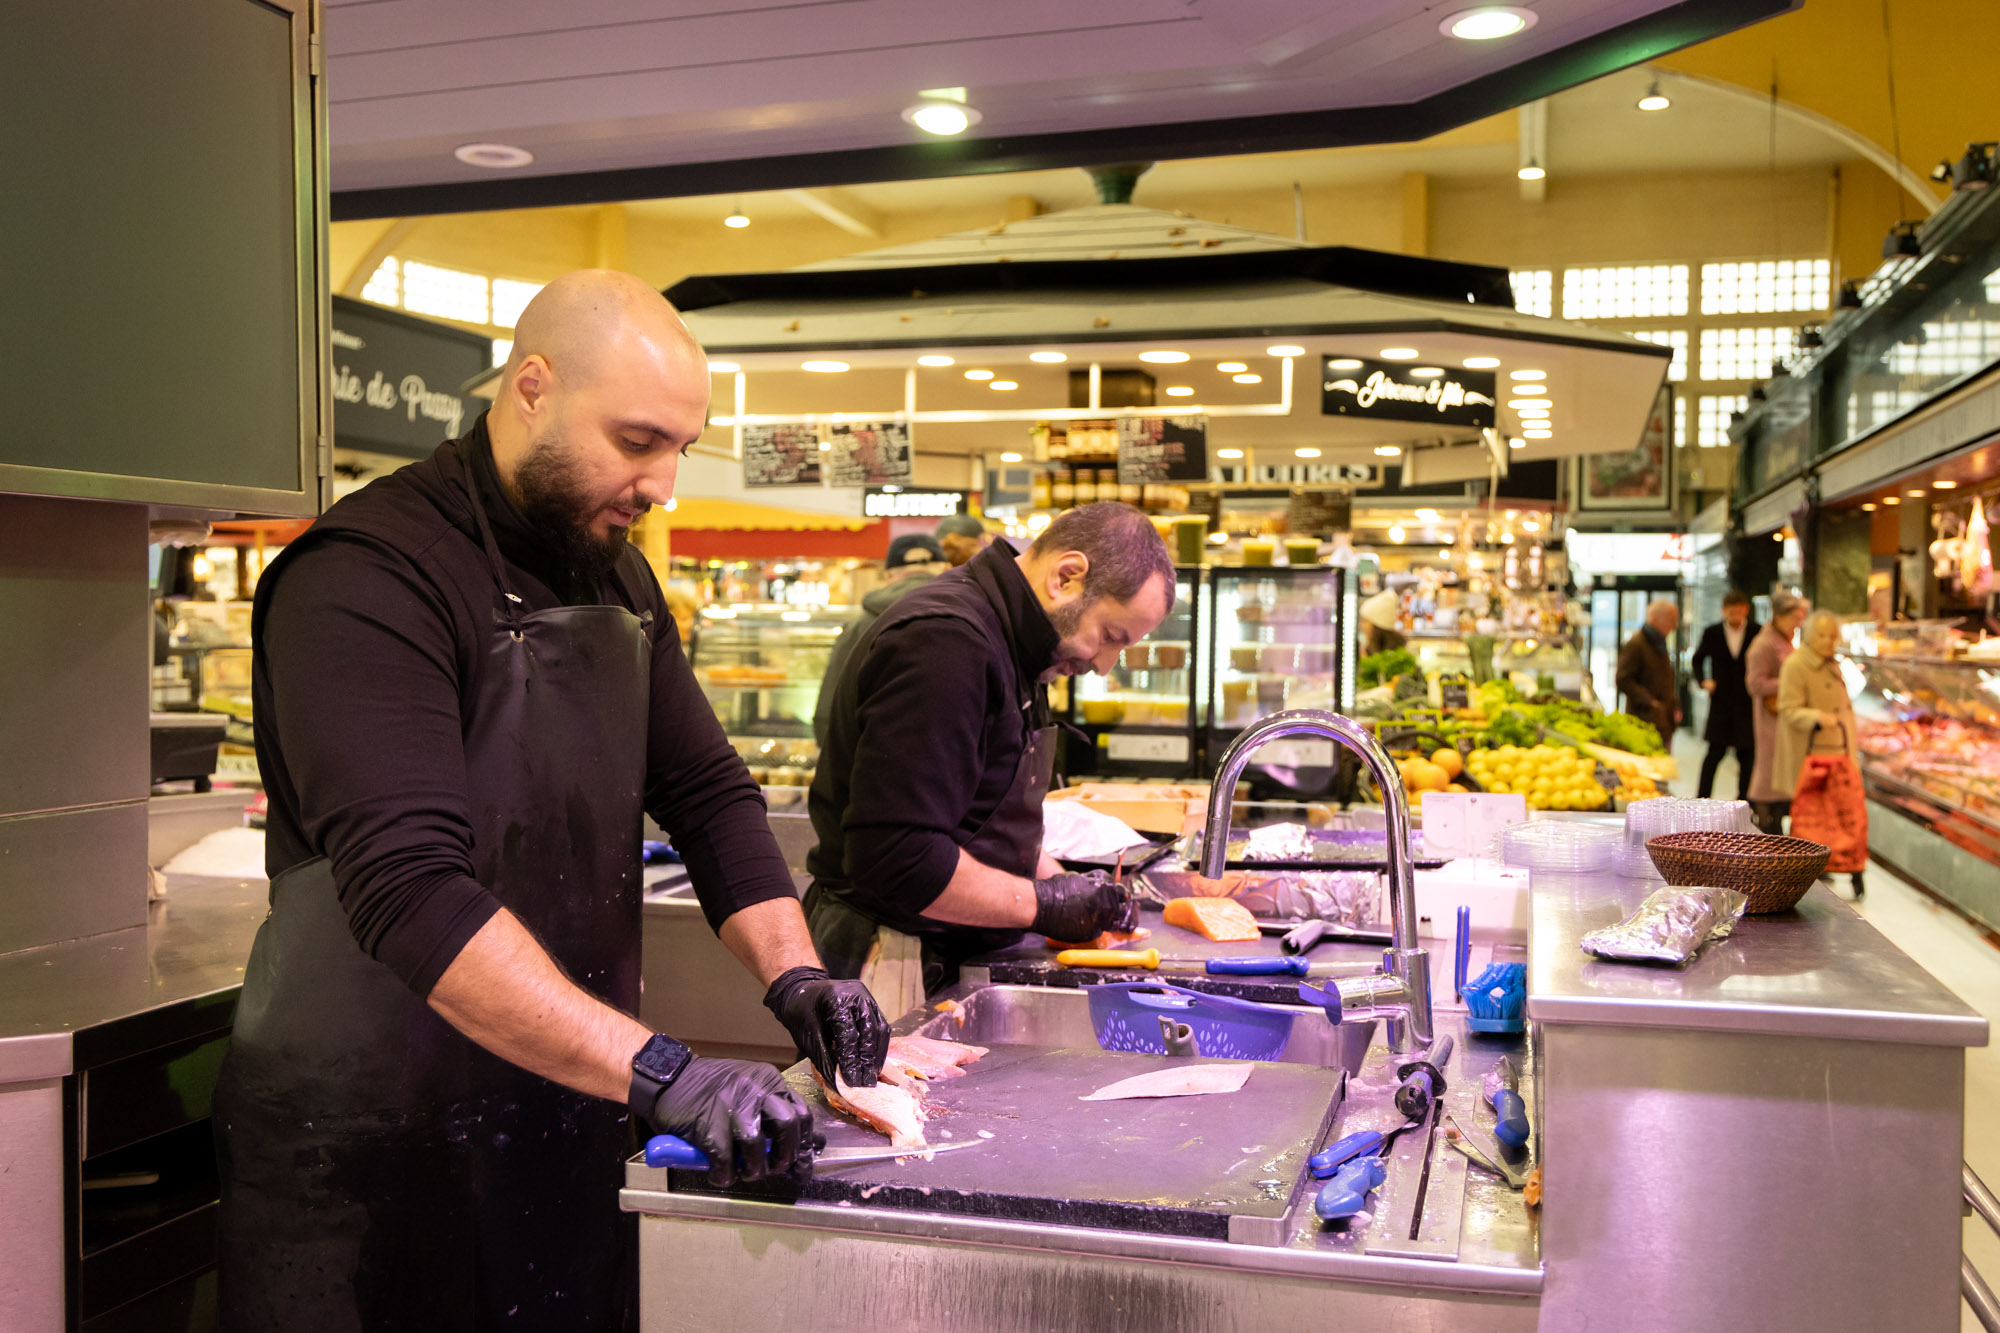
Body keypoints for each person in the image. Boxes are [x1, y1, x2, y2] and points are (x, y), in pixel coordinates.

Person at [214, 271, 889, 1331]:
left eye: (680, 446)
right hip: (365, 1159)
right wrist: (665, 1071)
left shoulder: (616, 576)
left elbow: (707, 794)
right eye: (637, 441)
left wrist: (795, 973)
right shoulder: (366, 576)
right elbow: (411, 892)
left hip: (564, 1113)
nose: (664, 483)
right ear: (532, 388)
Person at [805, 502, 1177, 1015]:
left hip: (948, 952)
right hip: (890, 960)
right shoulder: (946, 642)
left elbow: (983, 816)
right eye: (1111, 637)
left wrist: (1062, 884)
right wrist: (1044, 904)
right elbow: (898, 860)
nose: (1104, 664)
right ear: (1066, 577)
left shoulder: (1019, 643)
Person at [811, 534, 947, 744]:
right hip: (950, 752)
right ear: (943, 568)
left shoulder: (860, 624)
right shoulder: (966, 615)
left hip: (875, 751)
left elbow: (831, 707)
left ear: (889, 574)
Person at [1775, 610, 1866, 895]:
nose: (1828, 641)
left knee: (1842, 818)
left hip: (1839, 753)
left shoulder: (1834, 664)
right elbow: (1787, 709)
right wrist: (1817, 717)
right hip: (1809, 755)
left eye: (1832, 636)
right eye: (1822, 635)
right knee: (1810, 820)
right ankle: (1809, 871)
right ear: (1810, 636)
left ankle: (1844, 866)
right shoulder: (1795, 665)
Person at [1745, 592, 1809, 832]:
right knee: (1768, 775)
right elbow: (1754, 684)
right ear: (1780, 616)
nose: (1798, 623)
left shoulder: (1784, 640)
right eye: (1795, 617)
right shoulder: (1763, 644)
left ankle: (1775, 824)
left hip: (1783, 720)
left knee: (1778, 776)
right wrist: (1791, 683)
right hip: (1770, 720)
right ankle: (1767, 826)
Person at [1690, 590, 1759, 799]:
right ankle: (1702, 799)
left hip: (1747, 703)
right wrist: (1704, 681)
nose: (1735, 617)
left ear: (1746, 610)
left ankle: (1745, 802)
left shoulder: (1757, 631)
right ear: (1723, 611)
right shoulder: (1712, 632)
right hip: (1721, 702)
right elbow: (1697, 659)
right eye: (1731, 612)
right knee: (1714, 754)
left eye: (1739, 612)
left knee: (1747, 756)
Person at [1615, 599, 1680, 745]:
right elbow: (1623, 679)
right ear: (1656, 618)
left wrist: (1673, 704)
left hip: (1662, 722)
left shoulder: (1659, 643)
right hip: (1644, 722)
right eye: (1671, 619)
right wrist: (1650, 701)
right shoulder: (1636, 644)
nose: (1674, 626)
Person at [1357, 587, 1407, 656]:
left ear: (1377, 625)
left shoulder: (1394, 655)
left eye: (1365, 621)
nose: (1361, 625)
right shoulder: (1369, 649)